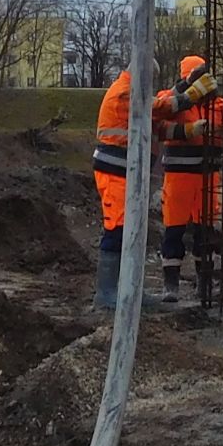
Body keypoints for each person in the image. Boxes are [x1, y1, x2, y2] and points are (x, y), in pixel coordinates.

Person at [151, 53, 223, 307]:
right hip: (179, 176)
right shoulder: (172, 100)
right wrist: (183, 91)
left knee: (206, 231)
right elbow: (161, 108)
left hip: (208, 174)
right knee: (174, 230)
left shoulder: (217, 105)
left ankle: (205, 282)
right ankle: (171, 284)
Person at [90, 67, 136, 310]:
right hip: (113, 172)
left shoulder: (127, 89)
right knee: (116, 227)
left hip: (121, 172)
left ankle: (125, 289)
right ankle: (106, 293)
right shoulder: (125, 93)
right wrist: (183, 95)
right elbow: (154, 107)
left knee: (127, 228)